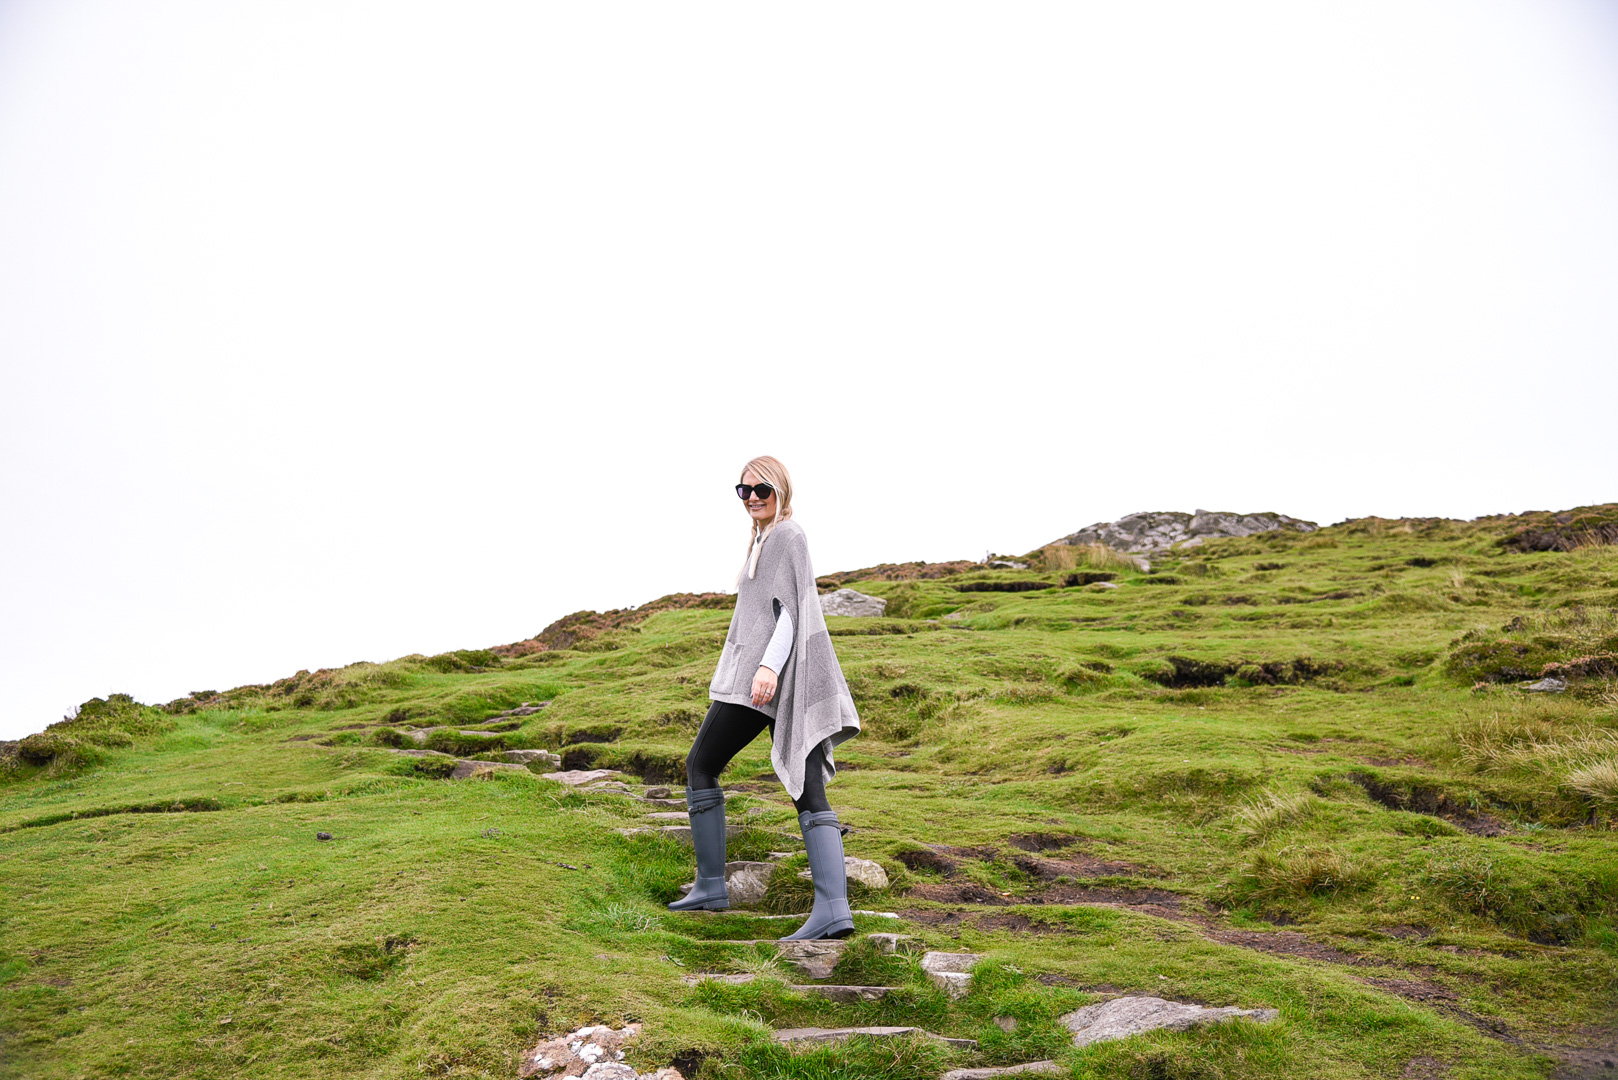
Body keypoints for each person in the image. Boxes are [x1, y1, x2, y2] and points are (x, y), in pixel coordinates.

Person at [668, 455, 863, 941]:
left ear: (782, 492)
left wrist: (767, 668)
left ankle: (716, 886)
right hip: (764, 678)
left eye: (763, 490)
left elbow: (791, 613)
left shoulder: (788, 536)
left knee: (701, 764)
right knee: (805, 783)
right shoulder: (762, 540)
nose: (753, 498)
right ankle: (830, 908)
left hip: (765, 680)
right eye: (744, 491)